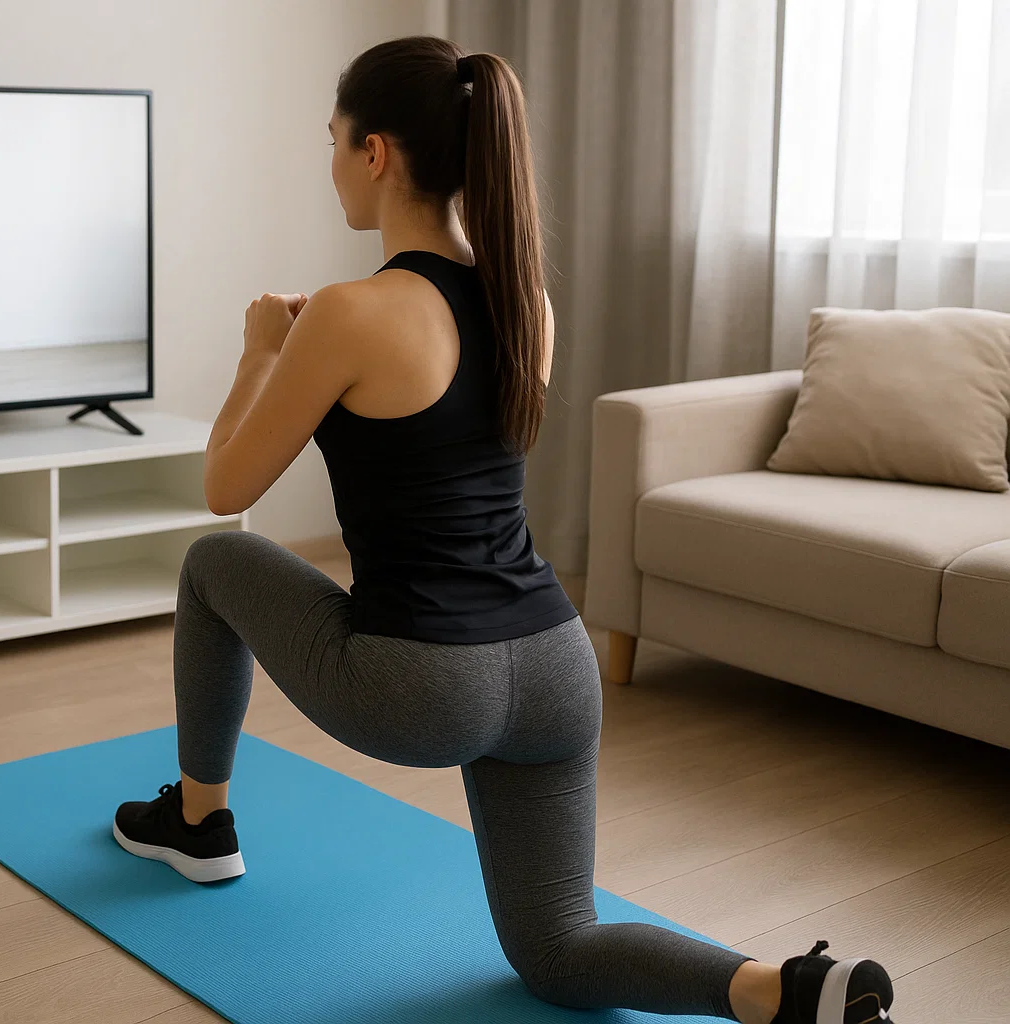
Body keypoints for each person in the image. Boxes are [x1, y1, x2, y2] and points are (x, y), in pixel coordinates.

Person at [110, 37, 895, 1024]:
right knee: (560, 948)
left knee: (212, 560)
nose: (330, 163)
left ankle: (198, 821)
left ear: (375, 153)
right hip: (555, 665)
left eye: (333, 140)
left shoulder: (347, 314)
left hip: (421, 684)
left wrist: (261, 352)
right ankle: (781, 989)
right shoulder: (527, 303)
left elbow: (224, 484)